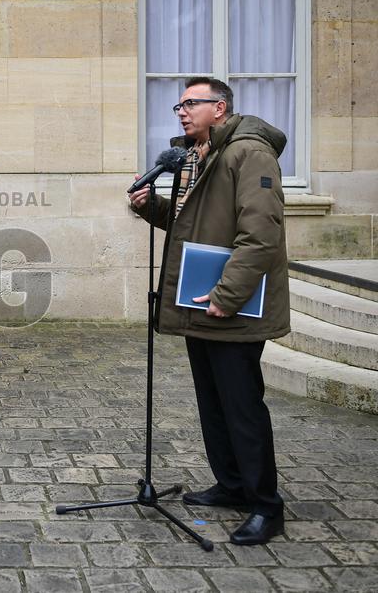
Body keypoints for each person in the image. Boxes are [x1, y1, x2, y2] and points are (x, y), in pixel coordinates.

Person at [128, 77, 289, 546]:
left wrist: (227, 293)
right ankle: (233, 485)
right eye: (179, 104)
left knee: (242, 408)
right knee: (212, 404)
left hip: (232, 305)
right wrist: (151, 207)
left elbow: (260, 235)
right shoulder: (197, 156)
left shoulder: (248, 153)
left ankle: (265, 506)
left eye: (191, 103)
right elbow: (191, 224)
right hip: (199, 302)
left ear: (219, 108)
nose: (181, 110)